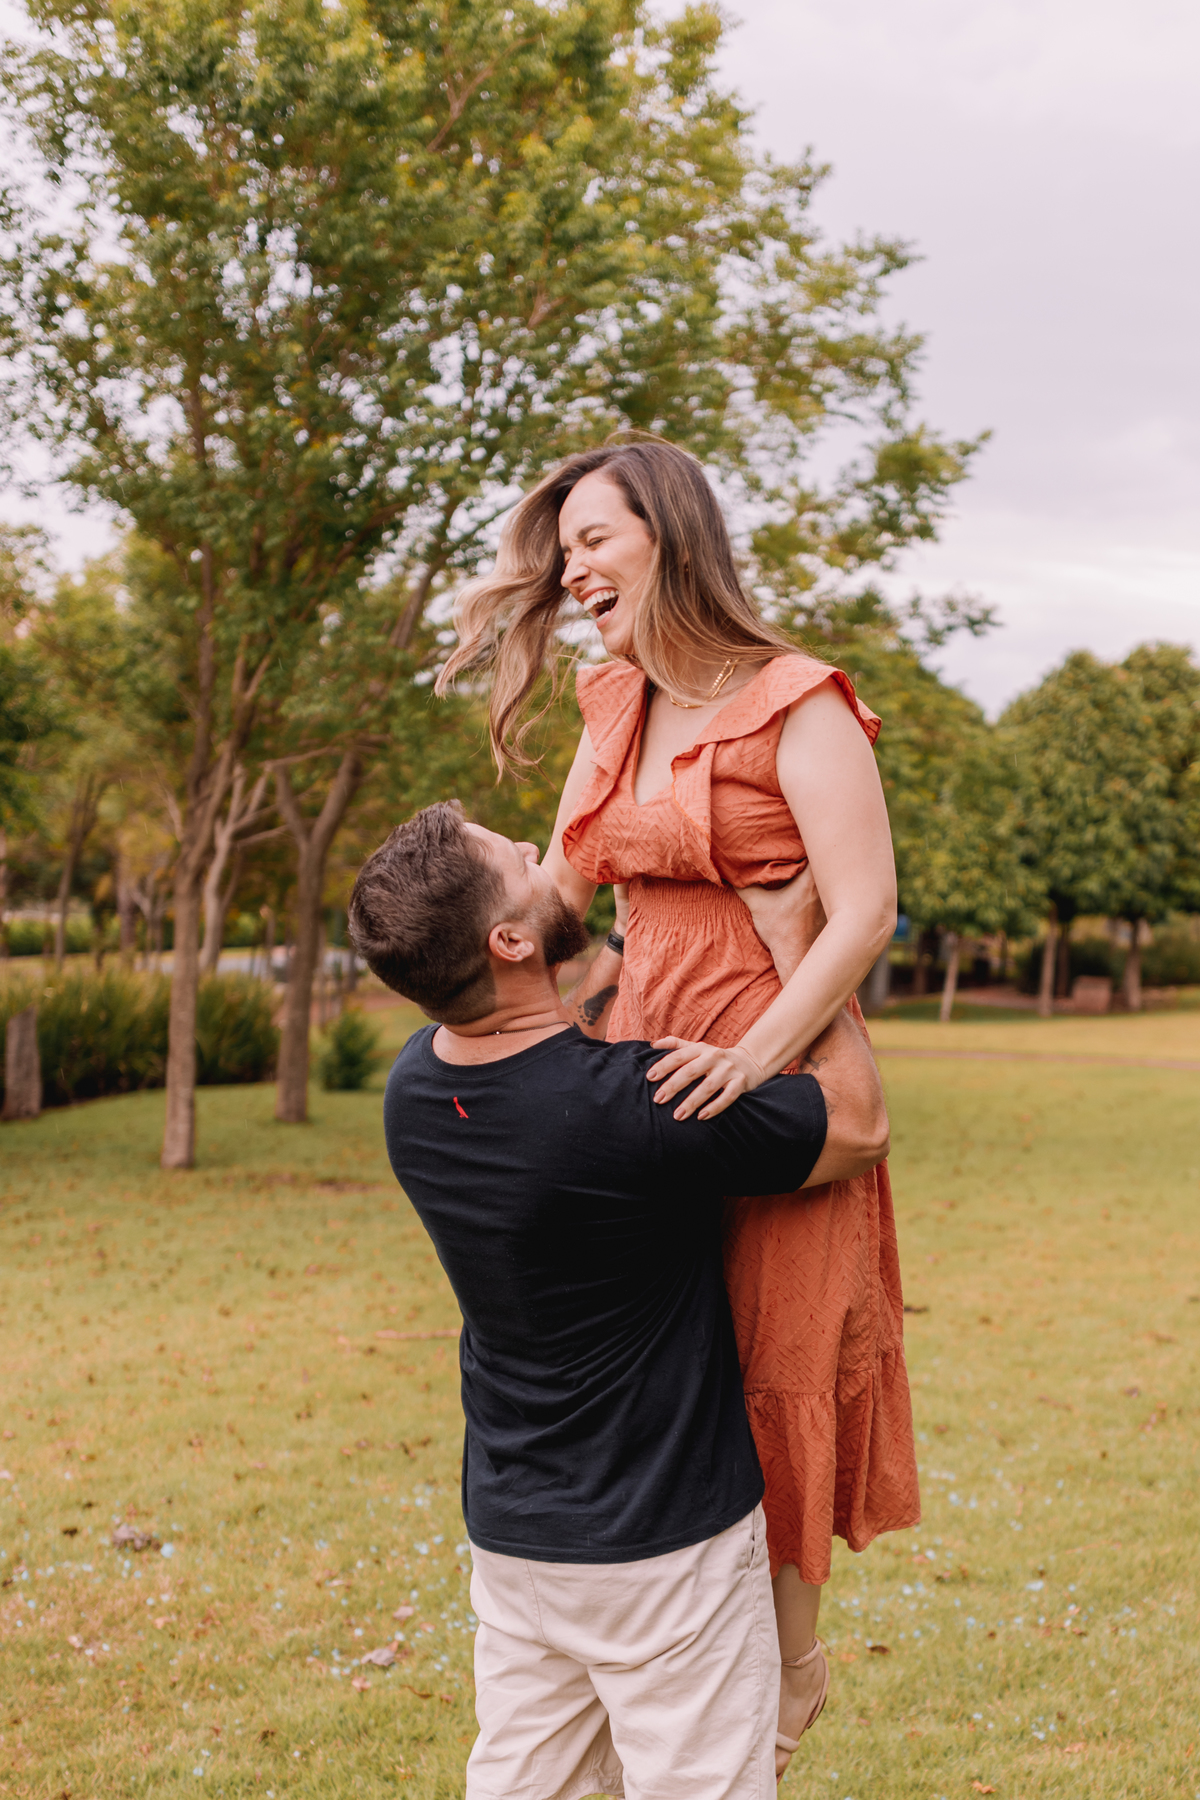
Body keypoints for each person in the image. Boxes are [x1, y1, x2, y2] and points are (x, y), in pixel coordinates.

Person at [437, 435, 921, 1776]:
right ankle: (659, 1664)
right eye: (564, 551)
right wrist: (440, 960)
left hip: (774, 1053)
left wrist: (760, 1055)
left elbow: (864, 908)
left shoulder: (798, 700)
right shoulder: (614, 707)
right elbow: (552, 893)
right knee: (662, 1360)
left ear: (671, 533)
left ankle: (788, 1653)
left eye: (594, 538)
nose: (573, 568)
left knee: (776, 1345)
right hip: (642, 1066)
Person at [348, 801, 891, 1800]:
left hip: (516, 1546)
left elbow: (550, 1048)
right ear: (507, 942)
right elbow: (857, 1126)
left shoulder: (415, 1092)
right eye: (516, 859)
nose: (540, 852)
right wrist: (804, 951)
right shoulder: (637, 1107)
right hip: (666, 1553)